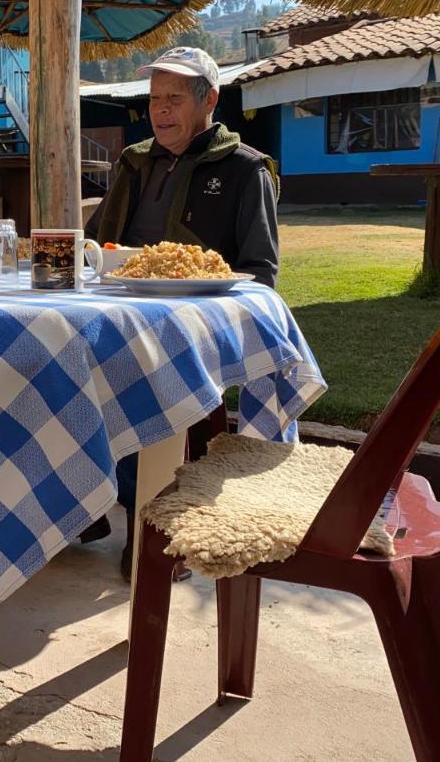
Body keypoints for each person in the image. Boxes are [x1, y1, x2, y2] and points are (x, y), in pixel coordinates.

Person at [84, 46, 281, 580]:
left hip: (192, 331)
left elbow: (261, 273)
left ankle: (154, 523)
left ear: (209, 100)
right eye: (154, 99)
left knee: (134, 379)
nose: (161, 110)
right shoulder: (134, 162)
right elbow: (95, 244)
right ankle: (84, 505)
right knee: (52, 363)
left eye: (174, 98)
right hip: (120, 315)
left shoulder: (243, 169)